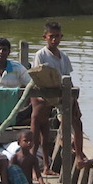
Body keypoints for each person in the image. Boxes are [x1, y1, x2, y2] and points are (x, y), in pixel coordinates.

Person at [31, 21, 85, 169]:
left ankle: (79, 156)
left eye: (57, 36)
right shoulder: (41, 55)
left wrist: (75, 101)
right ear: (45, 37)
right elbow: (37, 77)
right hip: (45, 95)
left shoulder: (63, 56)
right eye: (51, 36)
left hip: (62, 94)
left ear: (61, 37)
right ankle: (38, 165)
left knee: (77, 122)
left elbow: (68, 79)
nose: (54, 39)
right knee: (39, 131)